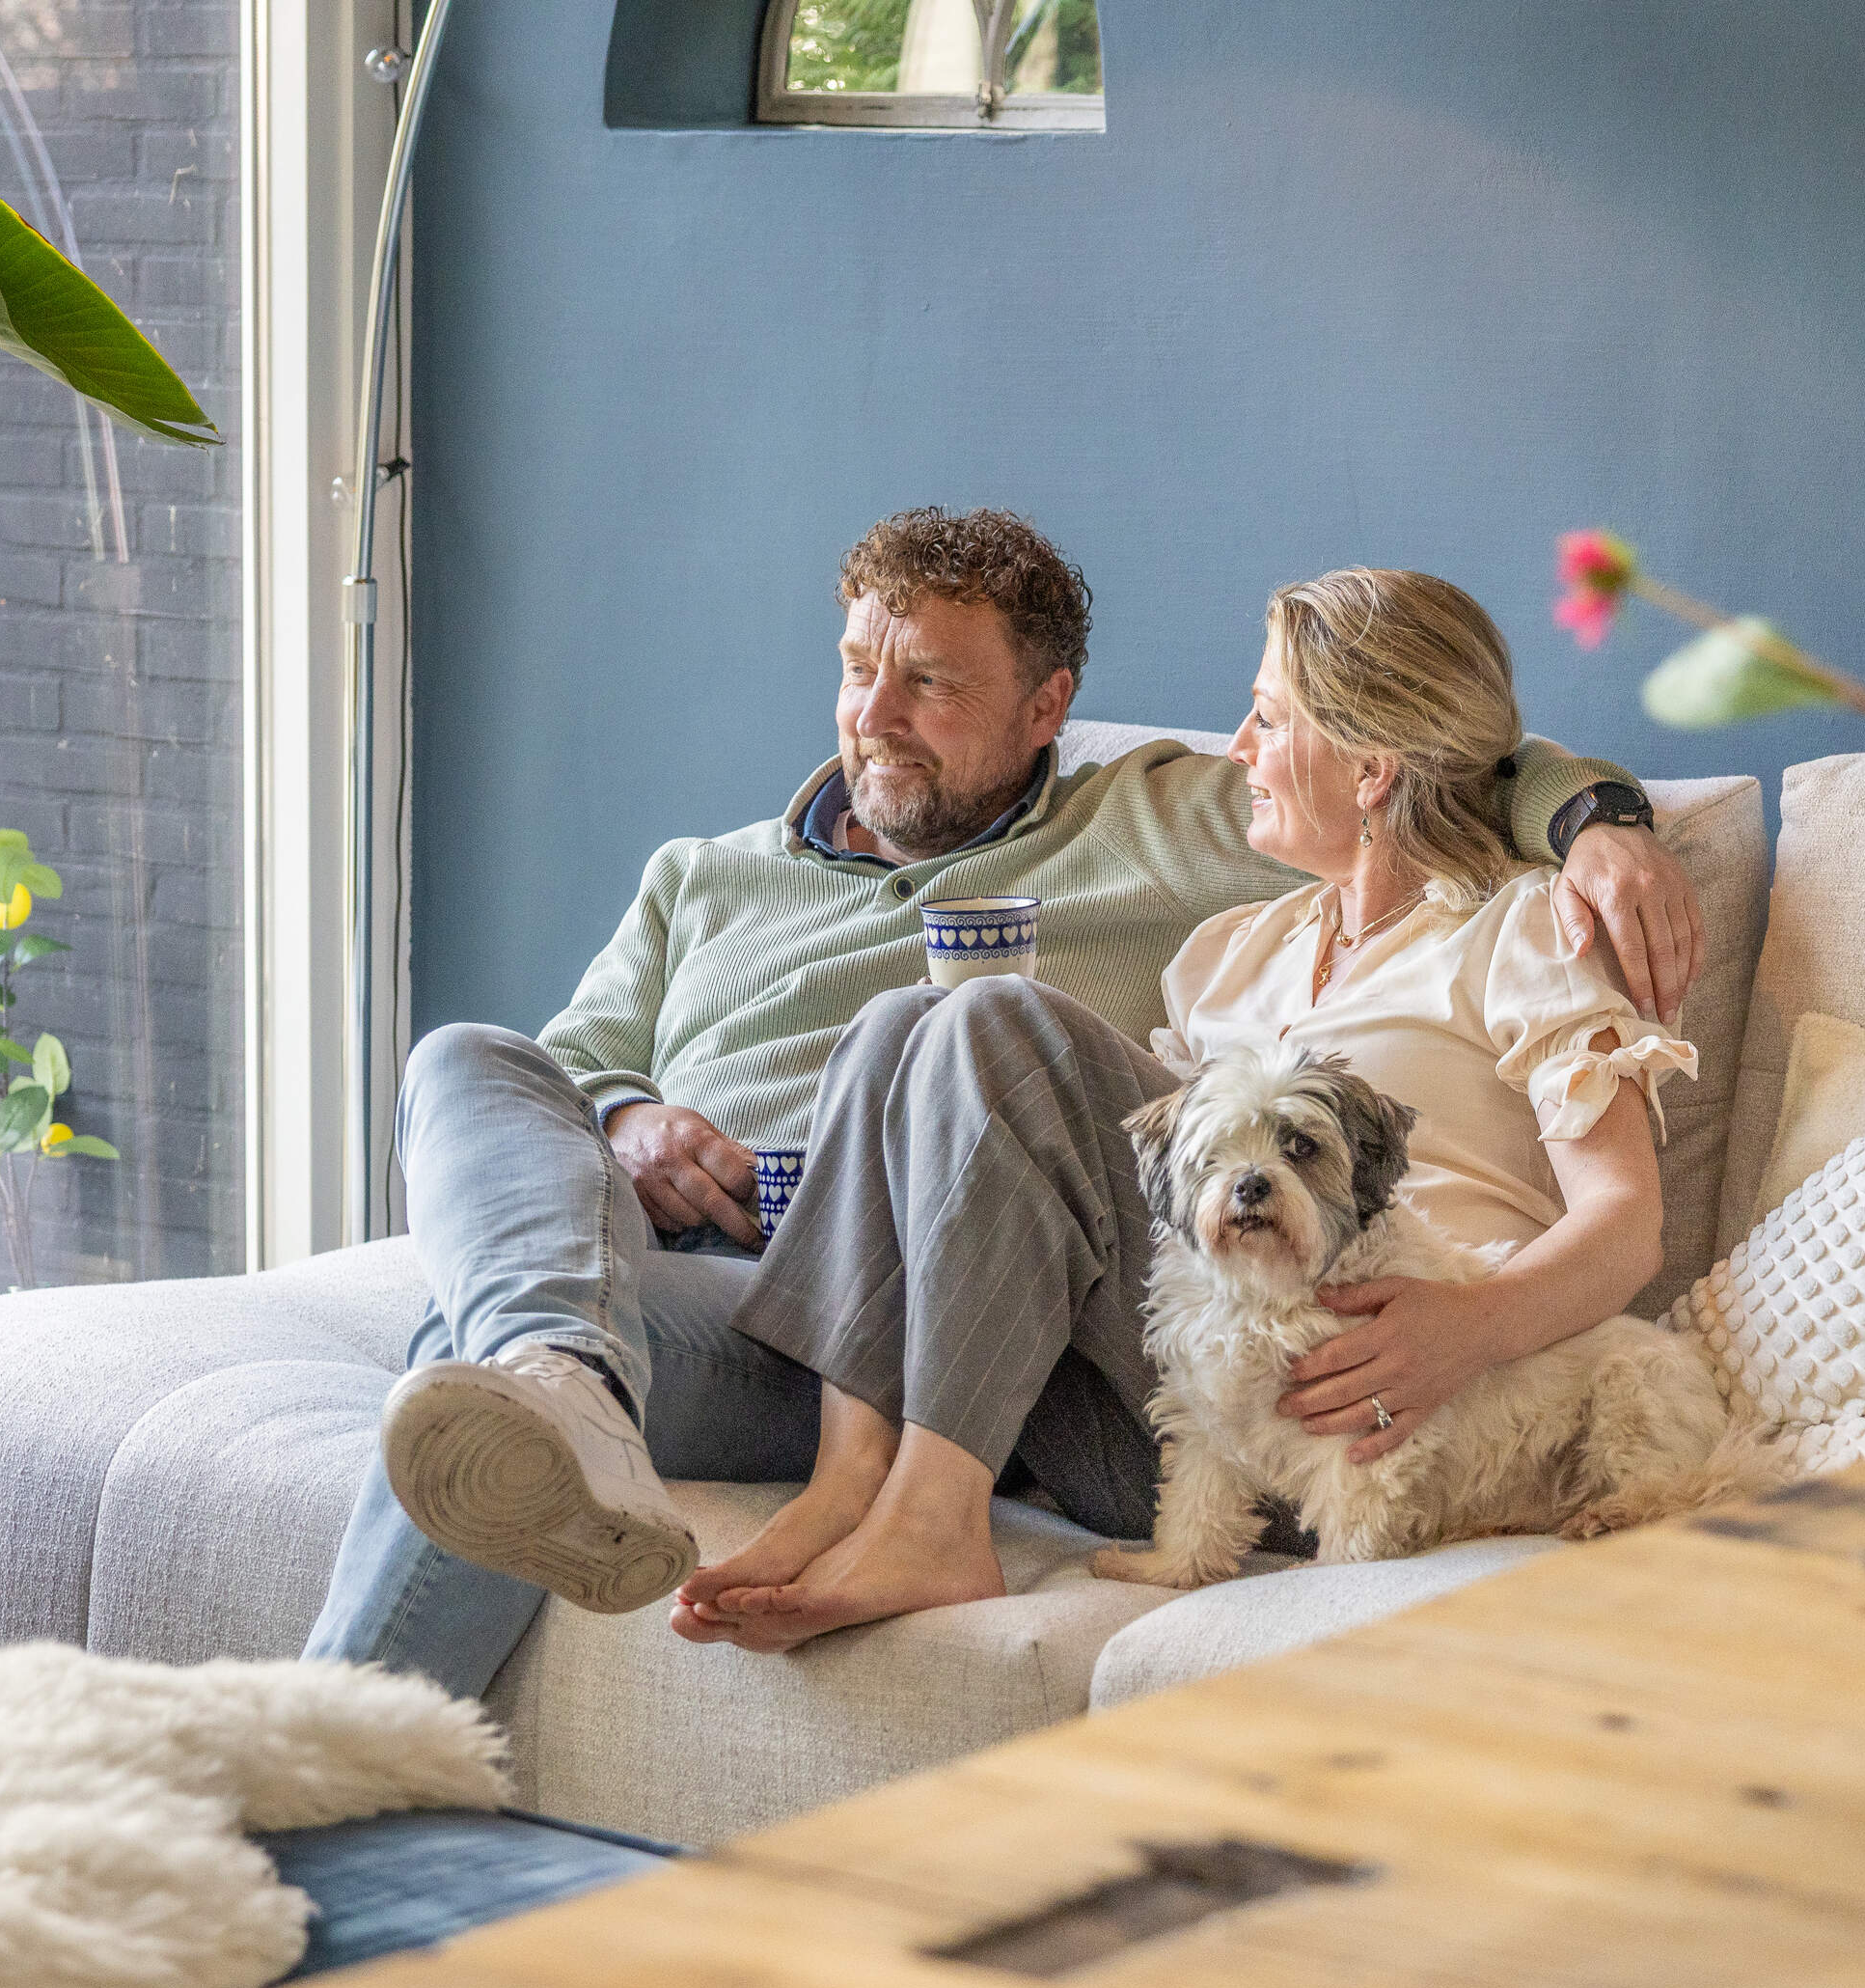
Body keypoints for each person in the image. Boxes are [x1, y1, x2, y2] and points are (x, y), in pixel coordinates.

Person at [303, 513, 1700, 1697]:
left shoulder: (1195, 833)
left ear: (1049, 708)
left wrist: (1603, 820)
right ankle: (395, 1660)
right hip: (752, 1284)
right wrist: (625, 1115)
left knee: (976, 1010)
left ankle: (904, 1502)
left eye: (929, 683)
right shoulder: (1226, 955)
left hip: (1270, 1371)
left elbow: (1462, 754)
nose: (875, 714)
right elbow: (559, 1076)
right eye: (859, 670)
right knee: (469, 1130)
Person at [674, 566, 1698, 1648]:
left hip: (1380, 1435)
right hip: (1172, 1432)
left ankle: (933, 1523)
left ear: (1372, 768)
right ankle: (851, 1482)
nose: (1239, 750)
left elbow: (1627, 1218)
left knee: (992, 1019)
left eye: (1267, 718)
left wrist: (1468, 1332)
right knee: (896, 1021)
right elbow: (1125, 1200)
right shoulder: (1227, 953)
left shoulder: (1521, 929)